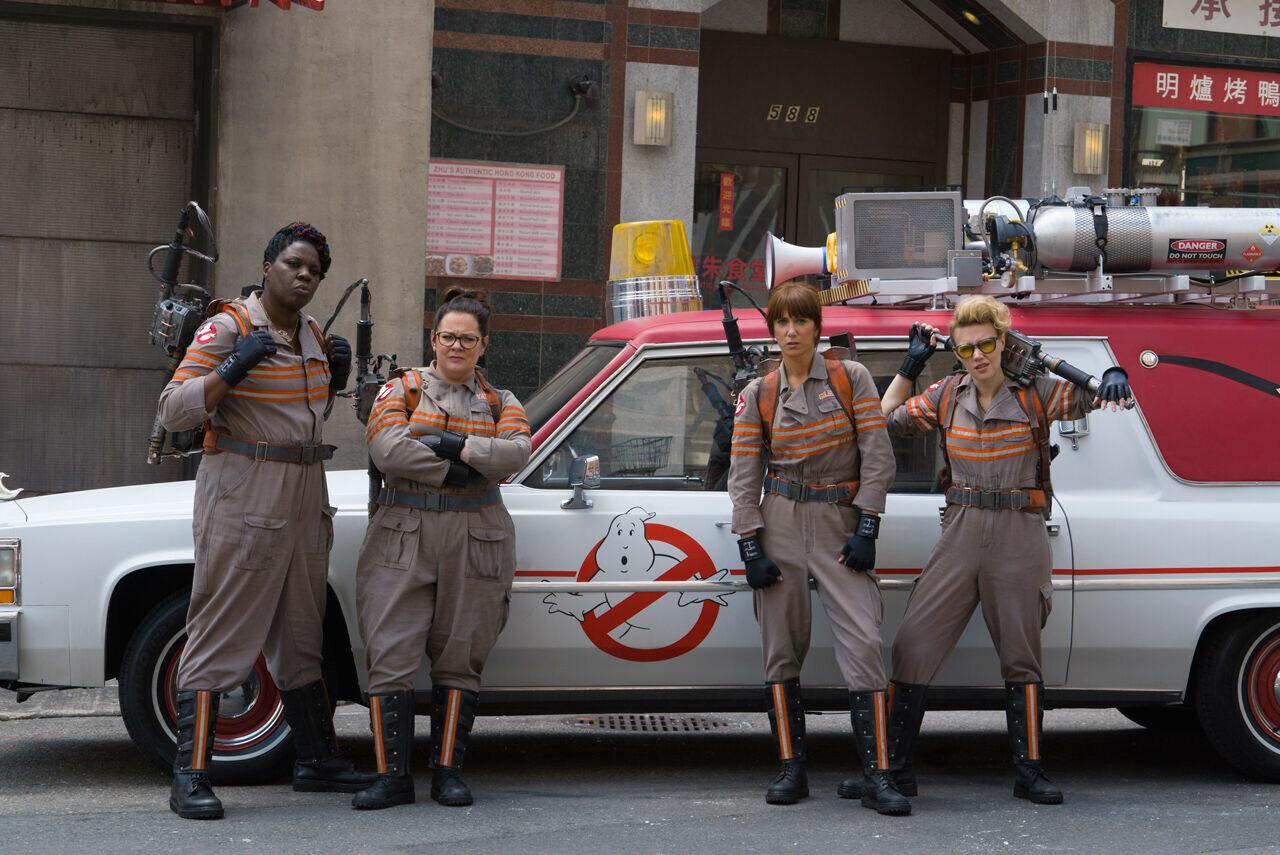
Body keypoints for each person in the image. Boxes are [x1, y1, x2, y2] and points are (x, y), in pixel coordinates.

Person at [867, 295, 1132, 807]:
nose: (977, 356)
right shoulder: (947, 395)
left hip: (1018, 530)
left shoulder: (1037, 394)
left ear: (1003, 341)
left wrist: (1116, 372)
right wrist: (910, 366)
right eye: (966, 348)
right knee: (915, 642)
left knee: (1021, 651)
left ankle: (1029, 770)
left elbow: (1097, 396)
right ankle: (894, 768)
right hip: (961, 527)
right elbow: (882, 420)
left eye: (986, 344)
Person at [157, 222, 369, 820]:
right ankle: (190, 775)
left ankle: (316, 759)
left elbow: (304, 413)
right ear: (268, 265)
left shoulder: (311, 334)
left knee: (302, 630)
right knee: (221, 626)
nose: (304, 276)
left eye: (315, 271)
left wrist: (335, 377)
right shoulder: (229, 327)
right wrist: (230, 369)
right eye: (294, 264)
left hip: (305, 489)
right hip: (245, 487)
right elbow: (173, 408)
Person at [727, 282, 910, 816]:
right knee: (780, 646)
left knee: (864, 641)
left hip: (839, 521)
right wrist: (749, 544)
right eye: (782, 322)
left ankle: (878, 775)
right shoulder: (759, 393)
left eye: (801, 321)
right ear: (772, 330)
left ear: (816, 327)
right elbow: (744, 472)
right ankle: (792, 768)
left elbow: (877, 455)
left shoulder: (850, 377)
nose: (791, 332)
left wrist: (868, 525)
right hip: (780, 520)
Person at [351, 288, 531, 810]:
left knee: (462, 653)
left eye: (467, 339)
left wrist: (453, 444)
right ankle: (392, 777)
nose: (457, 346)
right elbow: (388, 448)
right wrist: (461, 470)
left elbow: (517, 452)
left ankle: (448, 774)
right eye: (448, 336)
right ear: (433, 339)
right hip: (403, 531)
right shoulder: (401, 389)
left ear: (483, 345)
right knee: (390, 649)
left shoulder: (502, 401)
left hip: (477, 534)